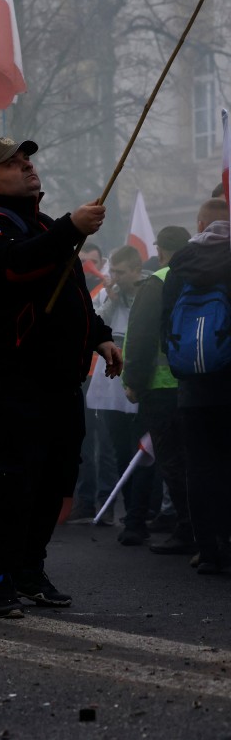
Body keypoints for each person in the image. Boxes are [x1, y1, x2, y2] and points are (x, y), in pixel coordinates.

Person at [0, 137, 121, 619]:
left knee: (56, 479)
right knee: (15, 479)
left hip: (57, 382)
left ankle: (31, 569)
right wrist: (71, 229)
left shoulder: (46, 227)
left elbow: (71, 293)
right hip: (9, 380)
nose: (26, 166)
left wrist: (100, 335)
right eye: (12, 163)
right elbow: (15, 268)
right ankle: (0, 581)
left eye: (27, 160)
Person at [160, 200, 231, 574]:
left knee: (200, 469)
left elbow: (165, 325)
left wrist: (183, 369)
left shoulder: (180, 264)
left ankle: (207, 549)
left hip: (193, 386)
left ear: (200, 223)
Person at [122, 224, 193, 557]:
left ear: (161, 250)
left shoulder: (159, 281)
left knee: (174, 462)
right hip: (202, 382)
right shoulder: (207, 273)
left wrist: (133, 380)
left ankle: (188, 529)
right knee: (202, 460)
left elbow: (140, 337)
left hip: (163, 387)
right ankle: (212, 531)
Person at [86, 245, 154, 544]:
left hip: (139, 386)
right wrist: (111, 302)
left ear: (136, 271)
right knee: (121, 451)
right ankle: (133, 516)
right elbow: (93, 326)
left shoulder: (149, 292)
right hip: (111, 388)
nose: (114, 277)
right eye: (112, 270)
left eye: (121, 272)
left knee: (142, 453)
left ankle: (139, 515)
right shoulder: (107, 293)